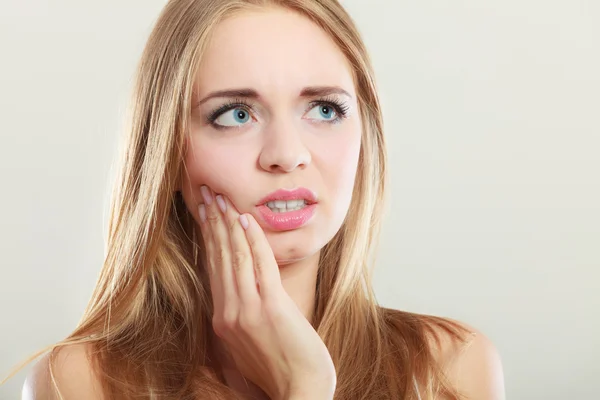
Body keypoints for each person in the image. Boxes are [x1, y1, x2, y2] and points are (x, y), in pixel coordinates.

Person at [14, 0, 505, 399]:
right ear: (166, 155)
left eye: (325, 109)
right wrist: (305, 388)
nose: (287, 155)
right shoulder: (78, 384)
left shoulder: (449, 371)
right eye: (235, 115)